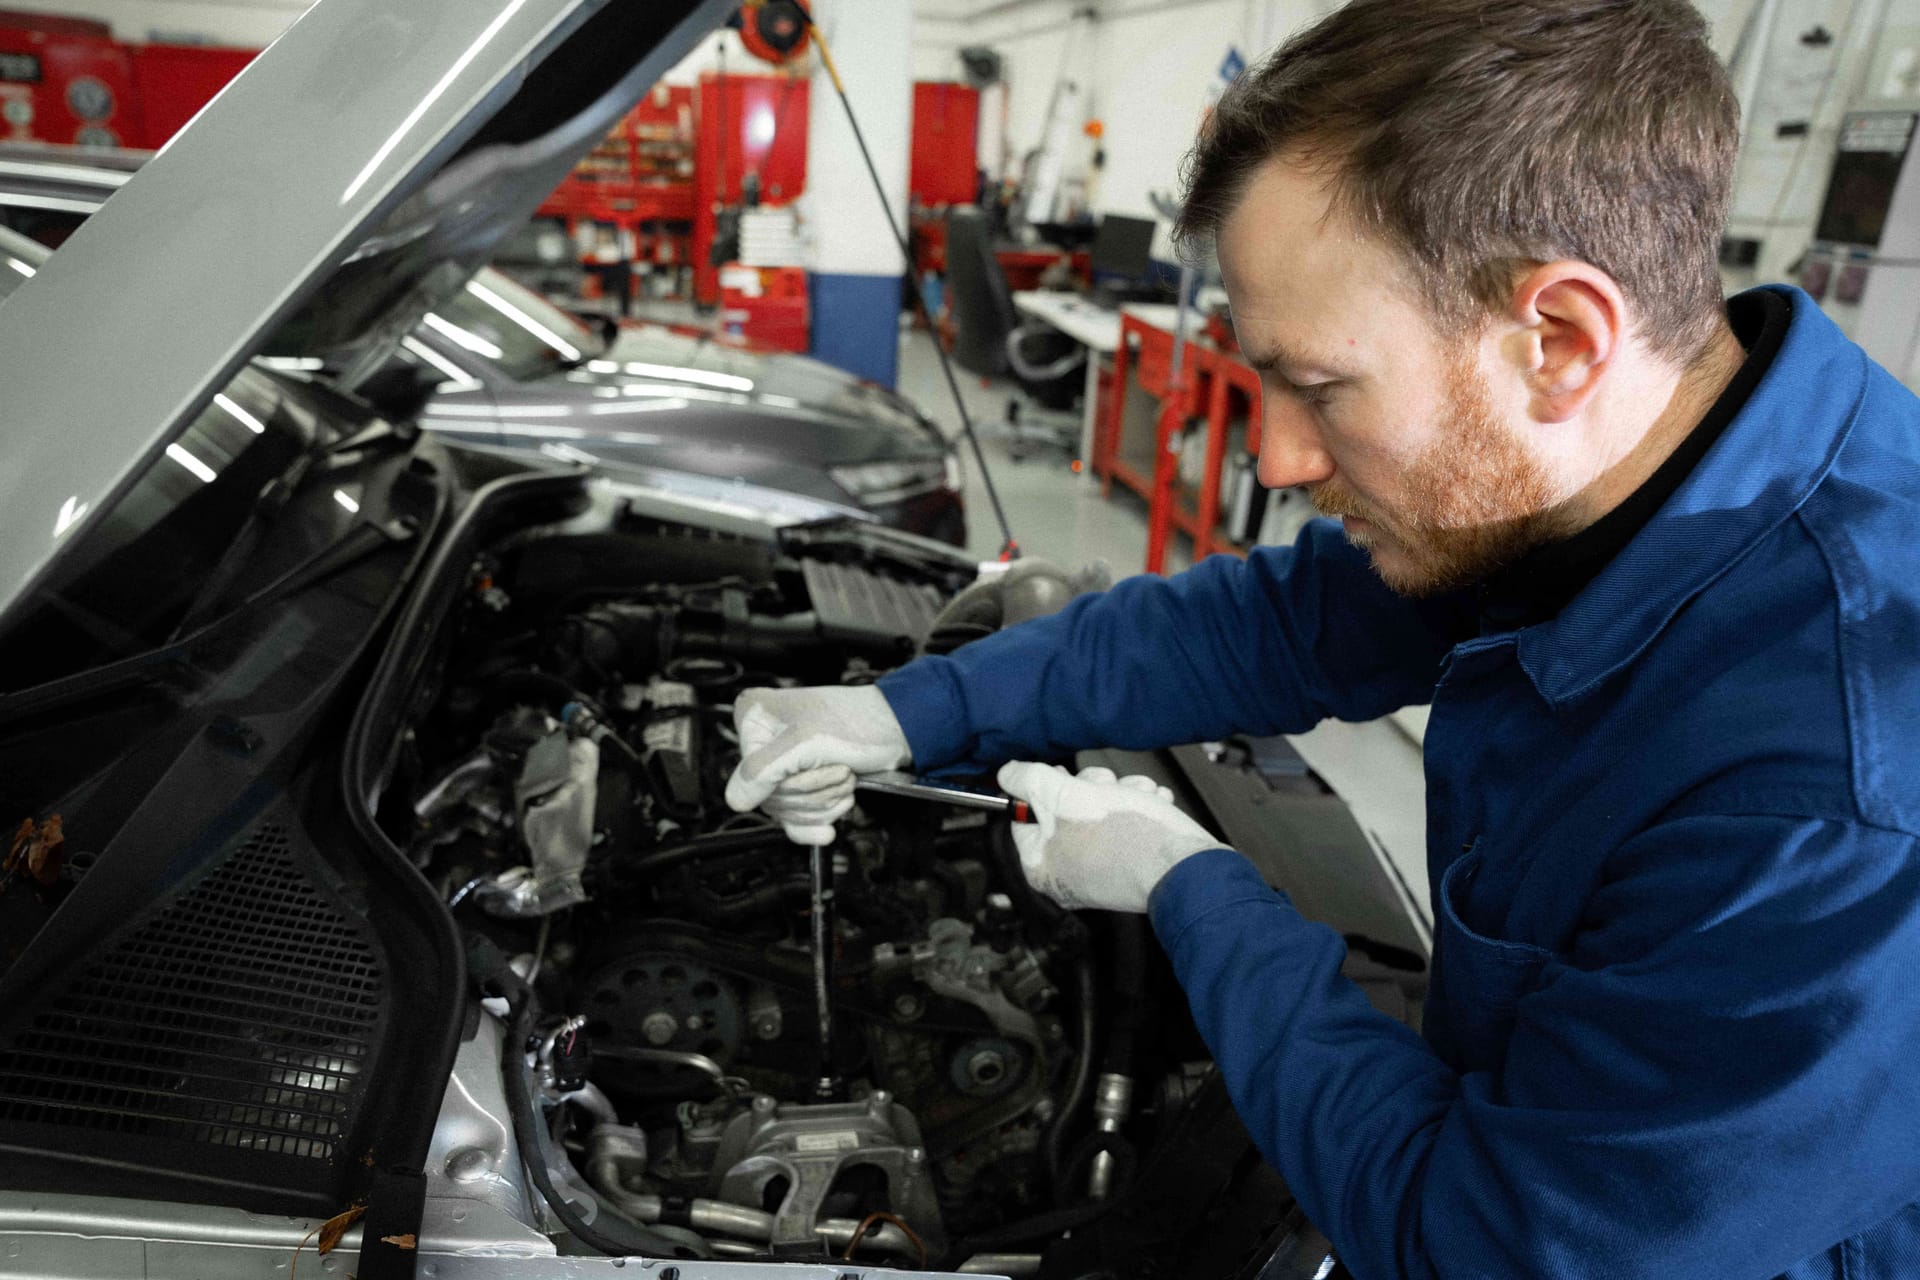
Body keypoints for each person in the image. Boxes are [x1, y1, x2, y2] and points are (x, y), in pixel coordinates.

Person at [726, 1, 1920, 1275]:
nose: (1278, 458)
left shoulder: (1831, 792)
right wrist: (899, 710)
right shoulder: (1615, 466)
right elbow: (1279, 620)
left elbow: (1485, 1245)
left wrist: (1192, 889)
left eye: (1319, 386)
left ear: (1561, 340)